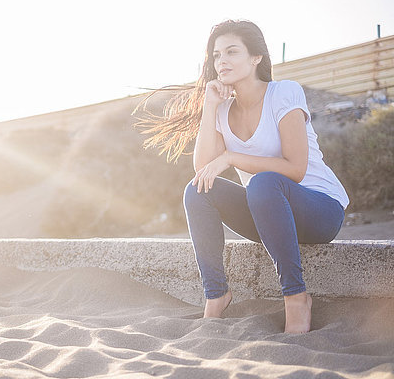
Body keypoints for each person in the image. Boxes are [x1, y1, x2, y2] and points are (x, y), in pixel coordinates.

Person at [131, 19, 349, 334]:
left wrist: (231, 157)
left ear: (256, 57)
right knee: (198, 190)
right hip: (268, 213)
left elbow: (295, 168)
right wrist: (209, 106)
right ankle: (216, 294)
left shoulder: (284, 93)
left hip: (319, 209)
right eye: (217, 55)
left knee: (262, 182)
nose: (222, 62)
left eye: (232, 52)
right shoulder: (222, 110)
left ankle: (296, 297)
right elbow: (203, 169)